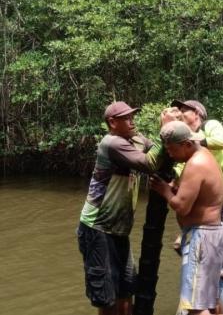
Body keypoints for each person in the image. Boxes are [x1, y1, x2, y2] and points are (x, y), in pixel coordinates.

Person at [77, 101, 166, 315]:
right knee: (106, 297)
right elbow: (150, 163)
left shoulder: (133, 138)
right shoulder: (112, 143)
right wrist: (166, 132)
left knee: (126, 288)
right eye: (126, 118)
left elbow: (152, 148)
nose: (132, 120)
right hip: (98, 228)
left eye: (132, 116)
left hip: (118, 231)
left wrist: (158, 144)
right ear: (112, 122)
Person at [171, 99, 223, 315]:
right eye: (178, 111)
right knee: (204, 244)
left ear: (198, 115)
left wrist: (193, 137)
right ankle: (220, 301)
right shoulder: (187, 153)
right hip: (217, 202)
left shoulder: (211, 127)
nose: (180, 113)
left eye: (184, 111)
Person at [150, 121, 223, 315]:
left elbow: (182, 207)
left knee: (195, 307)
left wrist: (165, 190)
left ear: (187, 144)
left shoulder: (195, 164)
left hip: (202, 238)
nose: (169, 154)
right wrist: (176, 189)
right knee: (212, 300)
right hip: (212, 234)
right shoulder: (205, 156)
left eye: (171, 149)